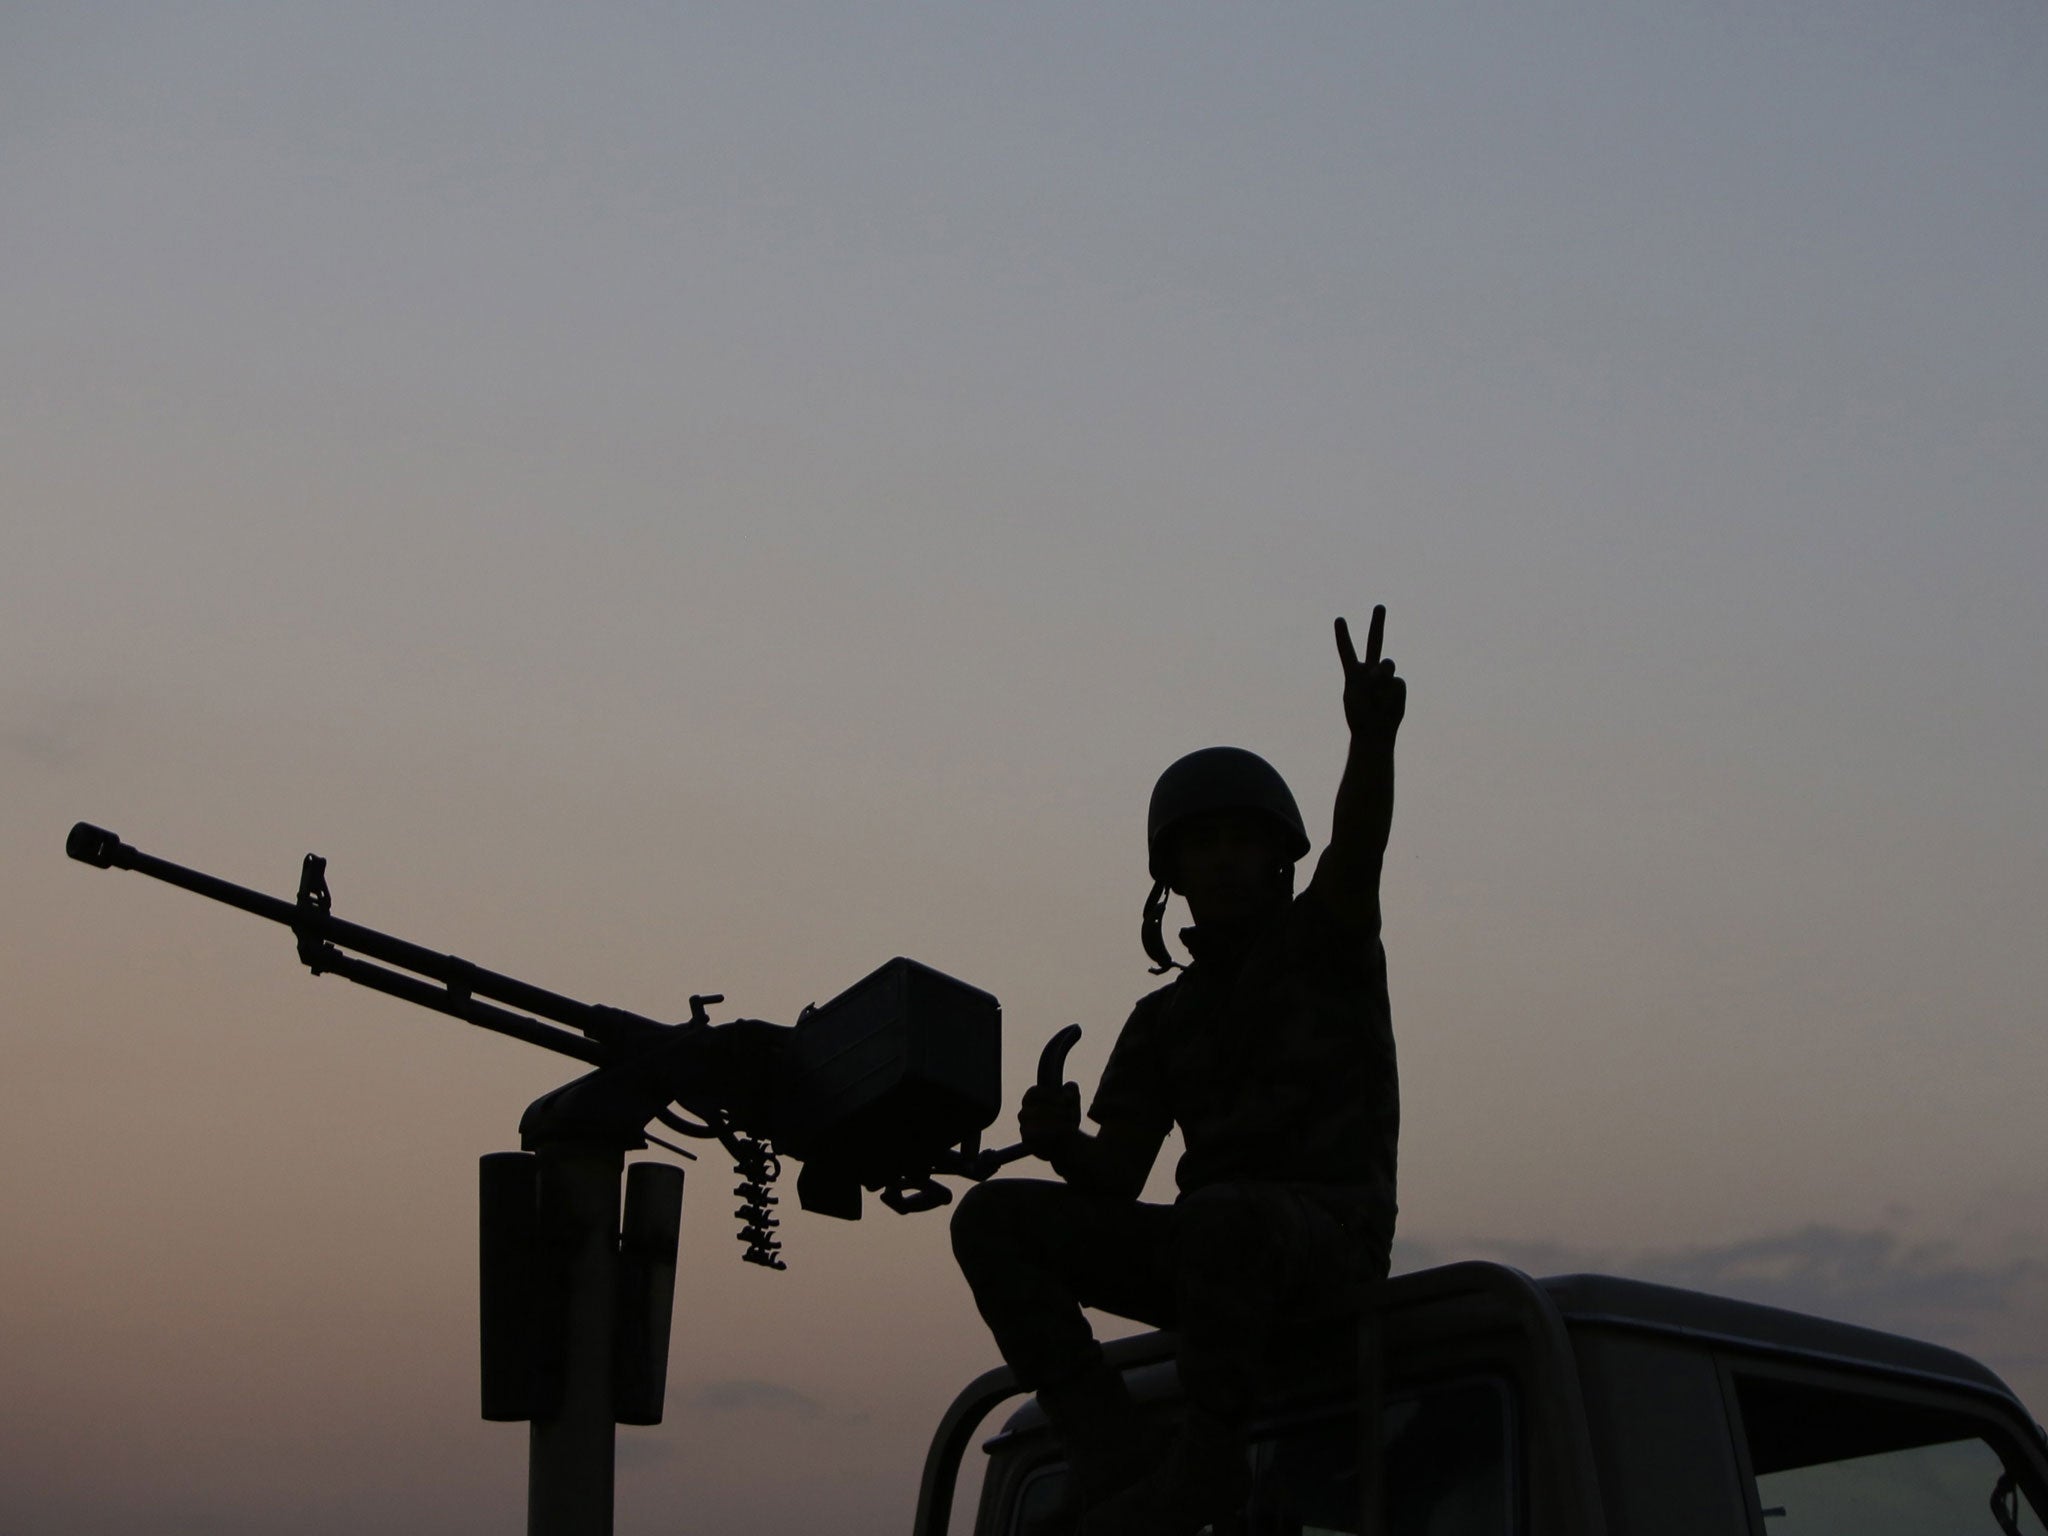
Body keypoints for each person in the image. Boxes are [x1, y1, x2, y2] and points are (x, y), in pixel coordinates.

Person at [951, 608, 1406, 1536]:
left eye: (1245, 841)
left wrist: (1370, 739)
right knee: (993, 1219)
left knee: (1221, 1213)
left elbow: (1358, 849)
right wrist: (1058, 1145)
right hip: (1213, 1256)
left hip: (1327, 1245)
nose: (1226, 860)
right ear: (1174, 873)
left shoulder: (1326, 943)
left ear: (1282, 858)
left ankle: (1206, 1466)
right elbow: (1119, 1175)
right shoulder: (1164, 1020)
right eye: (1205, 844)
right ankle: (1109, 1448)